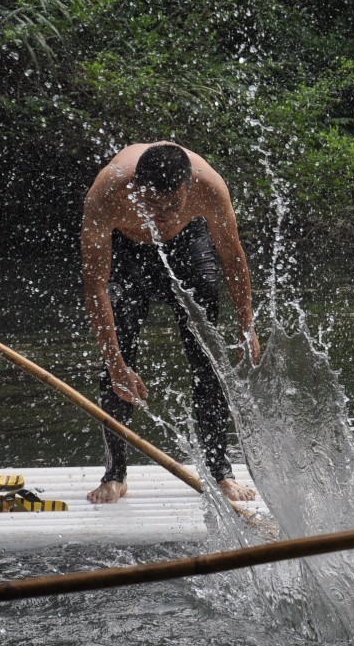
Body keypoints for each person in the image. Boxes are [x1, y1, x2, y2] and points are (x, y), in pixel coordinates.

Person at [80, 142, 261, 505]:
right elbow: (96, 287)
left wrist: (247, 326)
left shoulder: (209, 187)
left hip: (188, 244)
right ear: (134, 188)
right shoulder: (107, 194)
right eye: (151, 205)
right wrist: (117, 364)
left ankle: (219, 470)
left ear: (188, 189)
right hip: (127, 251)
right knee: (118, 360)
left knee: (207, 358)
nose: (162, 216)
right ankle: (115, 474)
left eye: (172, 205)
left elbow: (232, 255)